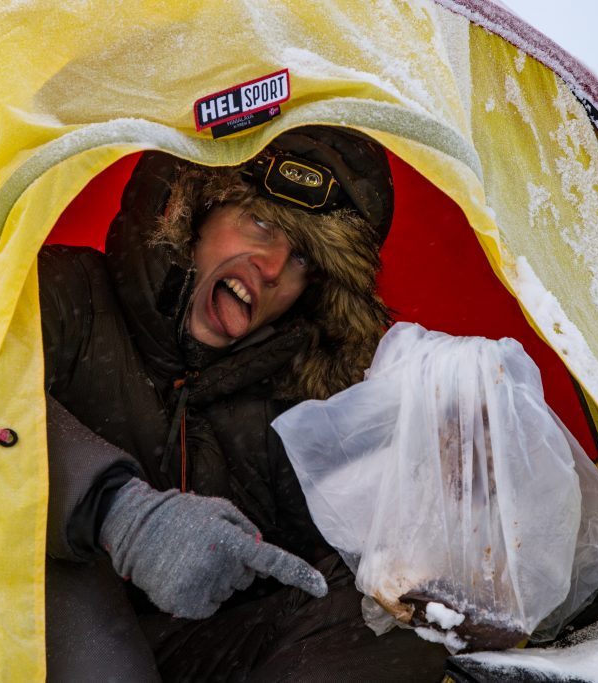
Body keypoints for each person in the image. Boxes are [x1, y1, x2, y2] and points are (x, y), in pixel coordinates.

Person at [38, 126, 447, 681]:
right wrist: (117, 512)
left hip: (191, 650)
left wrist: (441, 481)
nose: (274, 266)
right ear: (195, 212)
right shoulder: (63, 294)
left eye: (303, 257)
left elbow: (334, 565)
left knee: (396, 611)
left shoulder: (294, 401)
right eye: (260, 222)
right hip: (21, 630)